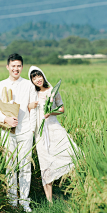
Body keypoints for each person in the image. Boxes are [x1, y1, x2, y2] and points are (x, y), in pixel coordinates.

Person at [0, 53, 36, 212]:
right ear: (8, 67)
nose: (16, 69)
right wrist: (5, 119)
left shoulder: (29, 85)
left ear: (22, 67)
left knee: (25, 165)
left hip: (25, 130)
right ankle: (12, 201)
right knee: (10, 165)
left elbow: (32, 106)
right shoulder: (0, 85)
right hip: (7, 131)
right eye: (13, 66)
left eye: (19, 66)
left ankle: (24, 201)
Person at [28, 66, 79, 203]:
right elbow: (27, 110)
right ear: (31, 80)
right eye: (34, 77)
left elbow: (61, 108)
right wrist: (29, 106)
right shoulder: (32, 94)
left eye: (39, 76)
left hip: (54, 128)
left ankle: (77, 190)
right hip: (40, 132)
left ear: (43, 76)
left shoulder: (52, 91)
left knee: (72, 153)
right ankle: (50, 202)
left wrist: (51, 112)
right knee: (45, 163)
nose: (37, 79)